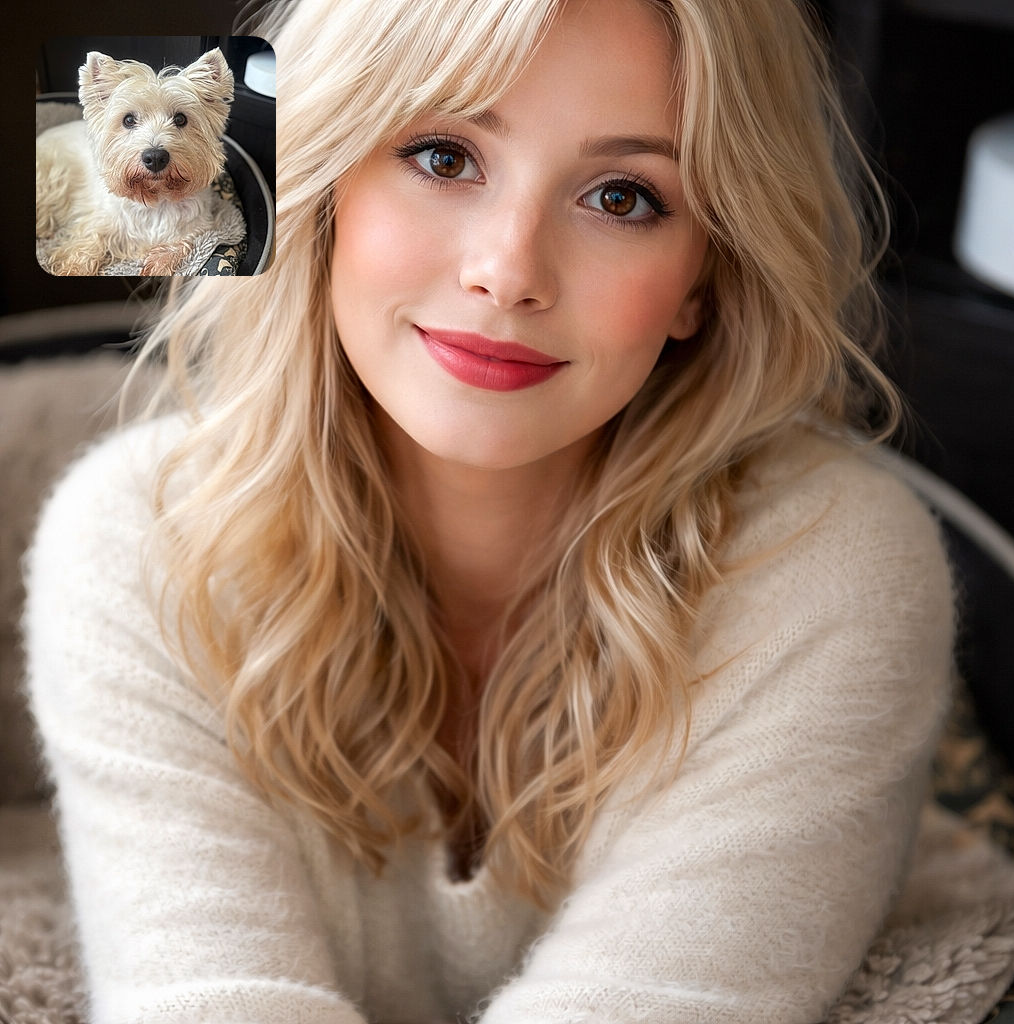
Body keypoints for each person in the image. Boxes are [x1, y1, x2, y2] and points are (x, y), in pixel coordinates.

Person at [23, 0, 955, 1021]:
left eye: (621, 195)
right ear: (320, 184)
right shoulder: (134, 542)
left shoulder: (834, 569)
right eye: (441, 155)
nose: (507, 271)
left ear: (705, 278)